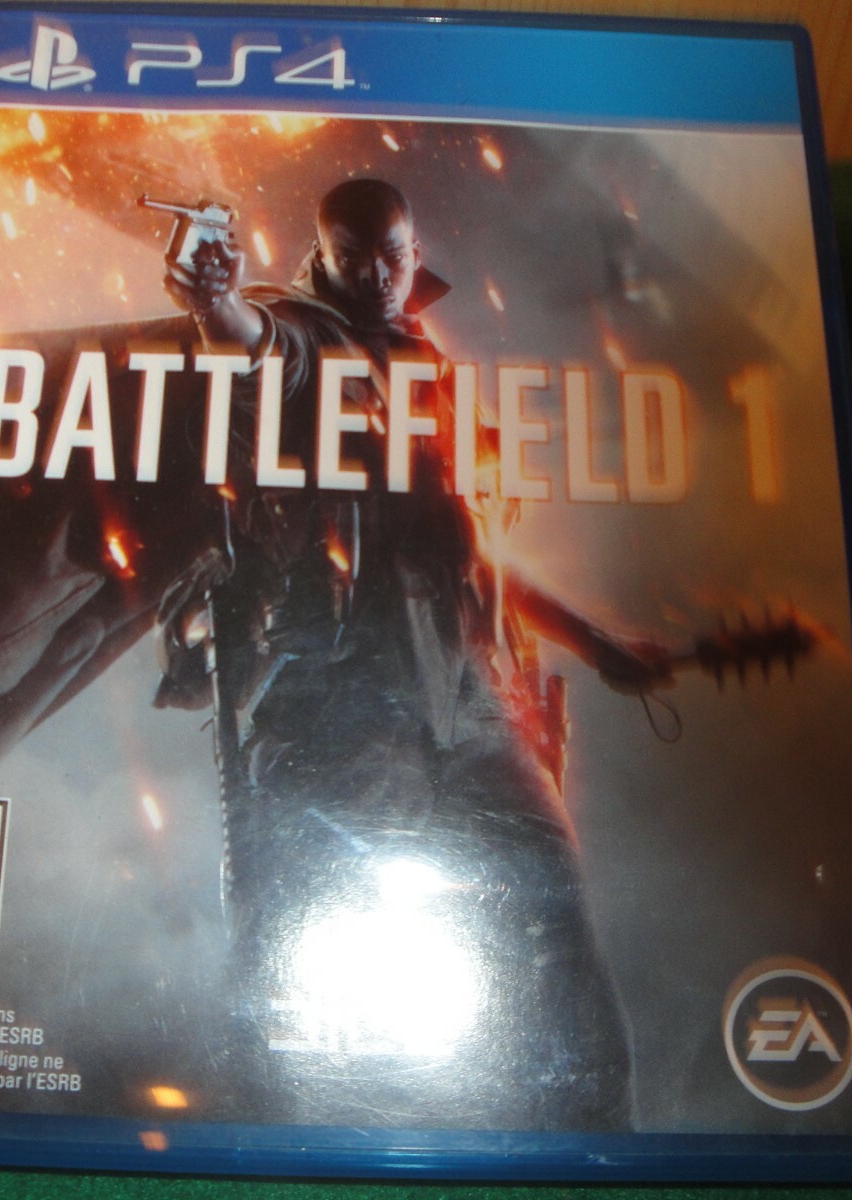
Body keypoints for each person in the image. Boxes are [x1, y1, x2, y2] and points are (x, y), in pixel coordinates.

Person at [155, 179, 646, 1130]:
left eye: (393, 256)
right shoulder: (312, 338)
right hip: (349, 696)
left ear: (415, 253)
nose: (378, 276)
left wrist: (593, 641)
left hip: (471, 694)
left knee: (555, 915)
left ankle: (603, 1145)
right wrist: (216, 301)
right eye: (354, 258)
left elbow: (466, 553)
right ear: (323, 258)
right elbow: (262, 347)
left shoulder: (431, 370)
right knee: (341, 948)